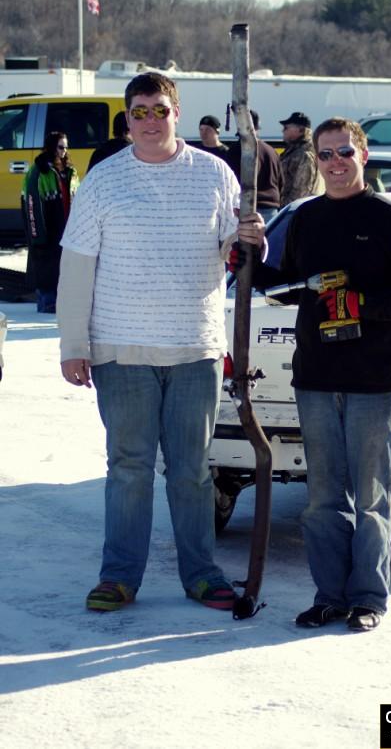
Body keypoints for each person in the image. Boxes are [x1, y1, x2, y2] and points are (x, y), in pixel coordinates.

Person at [235, 117, 391, 632]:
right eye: (325, 154)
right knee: (324, 499)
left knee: (372, 498)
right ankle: (329, 595)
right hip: (317, 379)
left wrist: (363, 303)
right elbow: (285, 284)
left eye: (344, 152)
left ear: (363, 155)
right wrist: (249, 261)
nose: (334, 162)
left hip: (374, 381)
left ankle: (368, 597)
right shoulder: (306, 219)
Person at [57, 72, 240, 613]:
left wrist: (250, 235)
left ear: (176, 112)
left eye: (159, 110)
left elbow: (236, 242)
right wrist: (74, 343)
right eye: (139, 112)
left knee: (192, 471)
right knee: (129, 469)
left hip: (194, 347)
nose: (149, 121)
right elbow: (76, 267)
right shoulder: (104, 180)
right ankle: (119, 577)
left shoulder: (214, 173)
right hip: (121, 349)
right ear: (127, 119)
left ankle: (201, 574)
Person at [21, 131, 79, 313]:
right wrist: (37, 235)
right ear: (51, 147)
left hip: (67, 227)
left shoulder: (70, 171)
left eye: (66, 147)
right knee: (47, 267)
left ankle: (63, 301)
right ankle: (47, 302)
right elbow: (32, 204)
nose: (64, 151)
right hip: (49, 228)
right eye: (61, 147)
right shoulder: (39, 172)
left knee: (66, 266)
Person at [227, 109, 283, 224]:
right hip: (271, 210)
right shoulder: (271, 151)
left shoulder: (235, 151)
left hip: (248, 210)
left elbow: (230, 183)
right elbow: (281, 182)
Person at [279, 111, 324, 206]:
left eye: (286, 128)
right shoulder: (294, 150)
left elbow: (301, 191)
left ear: (301, 130)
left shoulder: (305, 154)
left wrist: (285, 207)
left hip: (295, 210)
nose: (283, 131)